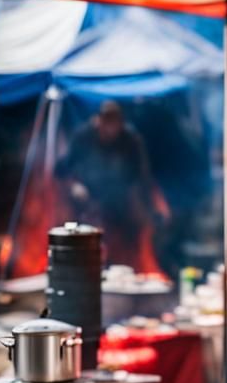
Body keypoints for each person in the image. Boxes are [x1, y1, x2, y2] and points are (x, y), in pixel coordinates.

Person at [55, 100, 168, 271]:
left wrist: (149, 206)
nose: (110, 129)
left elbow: (142, 177)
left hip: (119, 205)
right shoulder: (83, 137)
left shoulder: (131, 141)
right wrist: (75, 185)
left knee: (123, 249)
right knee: (87, 246)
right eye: (107, 122)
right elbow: (62, 169)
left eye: (115, 123)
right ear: (98, 121)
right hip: (86, 205)